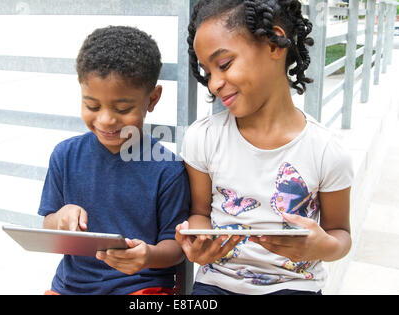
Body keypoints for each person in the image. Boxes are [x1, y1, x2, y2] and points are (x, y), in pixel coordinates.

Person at [175, 0, 353, 295]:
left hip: (295, 286)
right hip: (217, 283)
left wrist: (323, 246)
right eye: (207, 73)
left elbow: (341, 235)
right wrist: (197, 244)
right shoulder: (203, 138)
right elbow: (199, 212)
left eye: (223, 65)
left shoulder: (326, 151)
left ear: (274, 44)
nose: (213, 84)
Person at [38, 26, 190, 295]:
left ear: (152, 99)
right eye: (92, 106)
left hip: (140, 288)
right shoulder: (65, 155)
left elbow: (176, 248)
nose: (106, 120)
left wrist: (148, 256)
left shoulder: (168, 170)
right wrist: (61, 218)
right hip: (71, 288)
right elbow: (49, 225)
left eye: (122, 109)